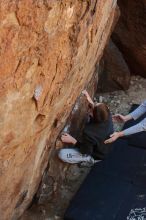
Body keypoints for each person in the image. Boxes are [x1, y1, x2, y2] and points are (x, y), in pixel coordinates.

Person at [58, 90, 114, 166]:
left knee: (62, 154)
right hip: (105, 146)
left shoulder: (89, 133)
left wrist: (72, 140)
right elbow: (98, 111)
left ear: (92, 114)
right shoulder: (107, 114)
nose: (93, 105)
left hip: (96, 155)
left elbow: (85, 151)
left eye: (94, 107)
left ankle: (89, 160)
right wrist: (89, 99)